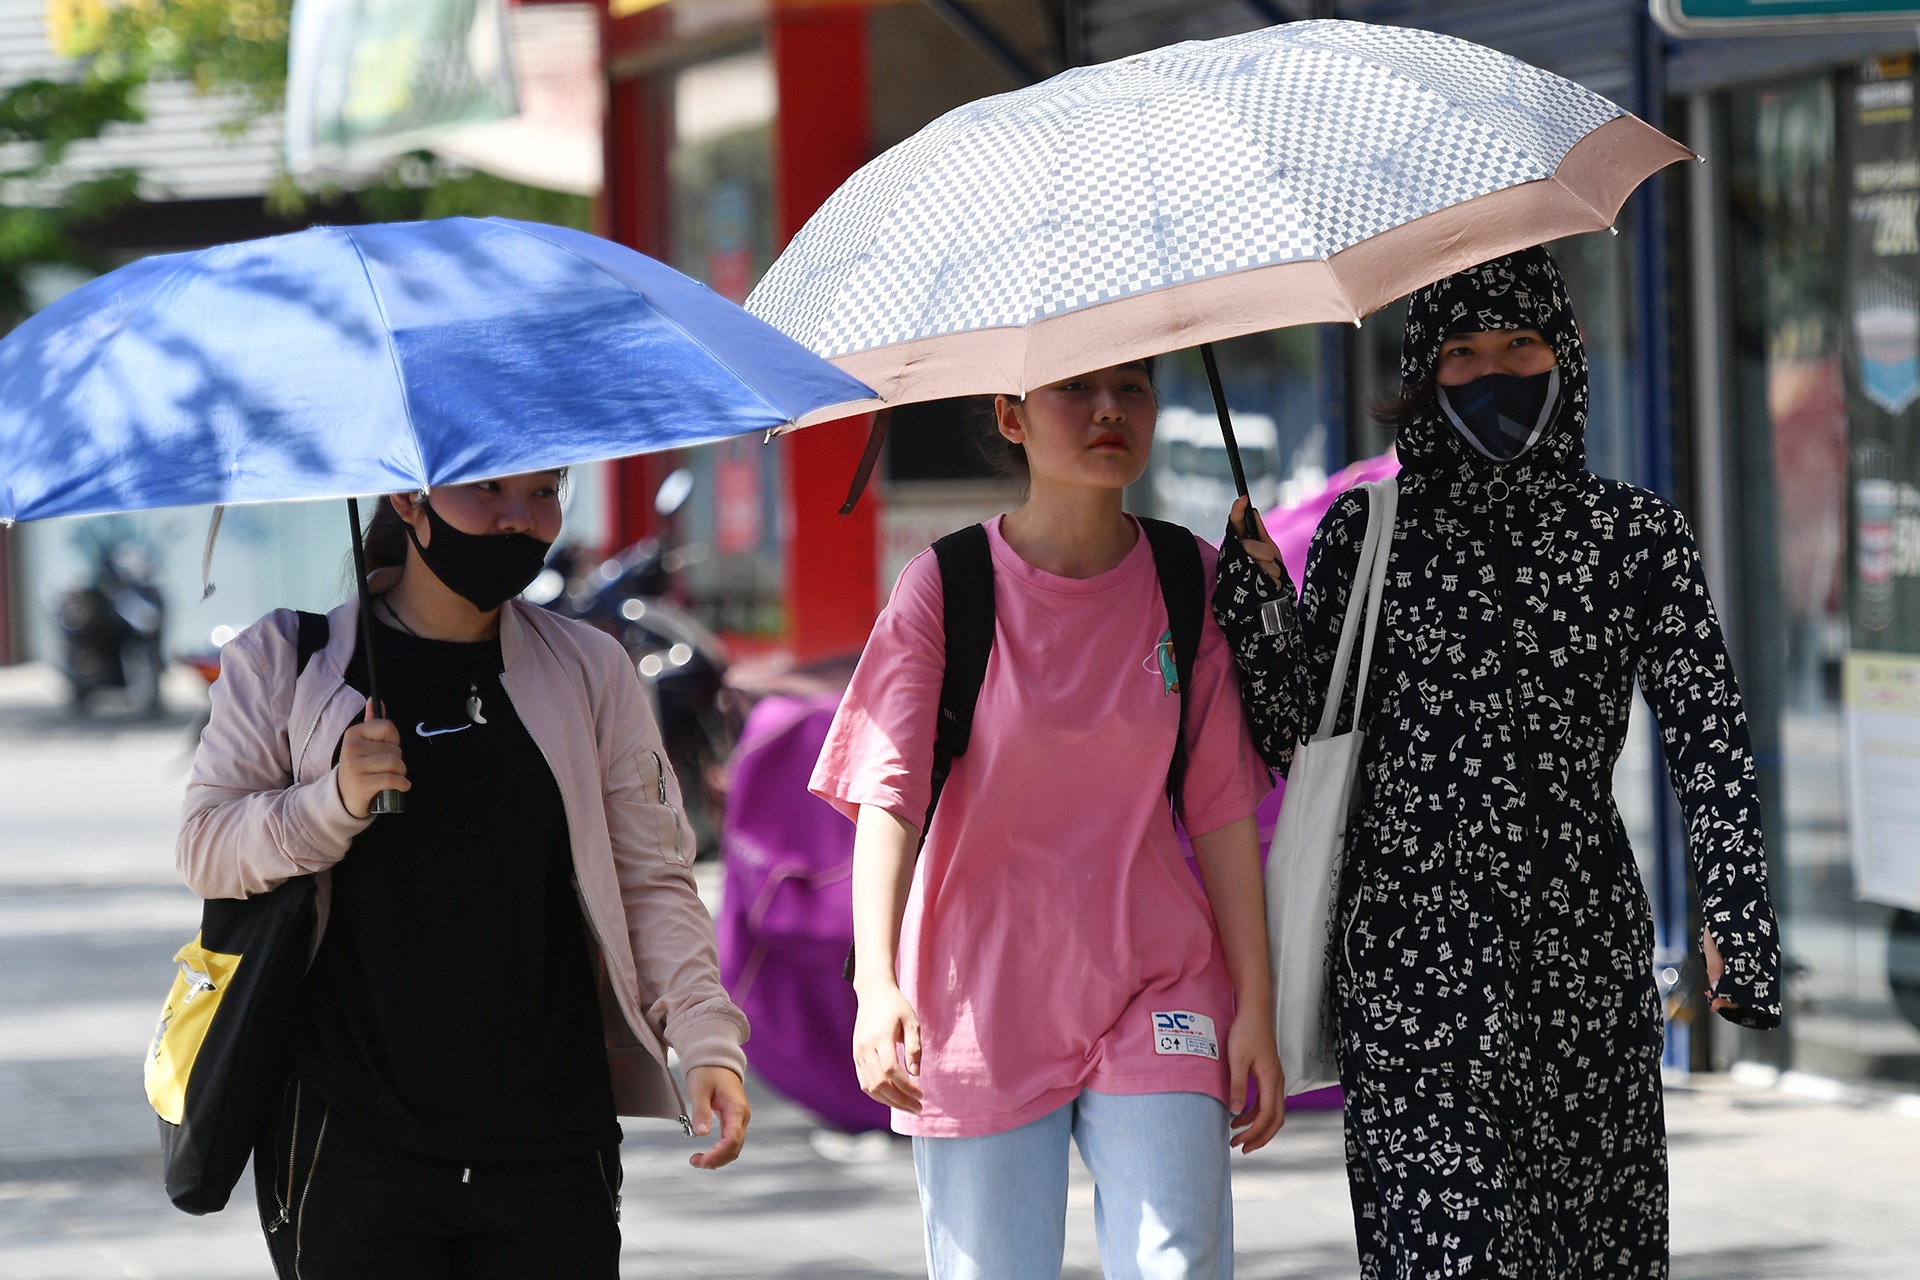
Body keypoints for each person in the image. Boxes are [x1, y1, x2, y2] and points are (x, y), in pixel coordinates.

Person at [1212, 247, 1782, 1279]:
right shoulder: (1367, 530)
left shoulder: (1635, 536)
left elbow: (1709, 732)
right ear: (1424, 374)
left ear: (1565, 350)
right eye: (1462, 352)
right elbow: (1295, 731)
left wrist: (1733, 915)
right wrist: (1258, 604)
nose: (1495, 372)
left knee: (1591, 1254)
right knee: (1452, 1254)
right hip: (1410, 964)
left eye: (1520, 341)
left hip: (1582, 955)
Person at [177, 472, 750, 1279]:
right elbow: (206, 845)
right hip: (352, 1141)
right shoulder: (287, 661)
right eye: (488, 490)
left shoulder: (591, 670)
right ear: (408, 500)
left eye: (545, 492)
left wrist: (706, 1039)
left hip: (552, 1146)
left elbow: (652, 876)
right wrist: (330, 804)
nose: (522, 519)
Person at [812, 361, 1284, 1280]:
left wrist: (1255, 1004)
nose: (1112, 409)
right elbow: (889, 795)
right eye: (1075, 387)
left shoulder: (1192, 580)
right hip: (979, 993)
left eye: (1136, 387)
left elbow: (1222, 810)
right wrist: (877, 982)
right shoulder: (944, 587)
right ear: (1011, 417)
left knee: (1178, 1265)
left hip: (1160, 980)